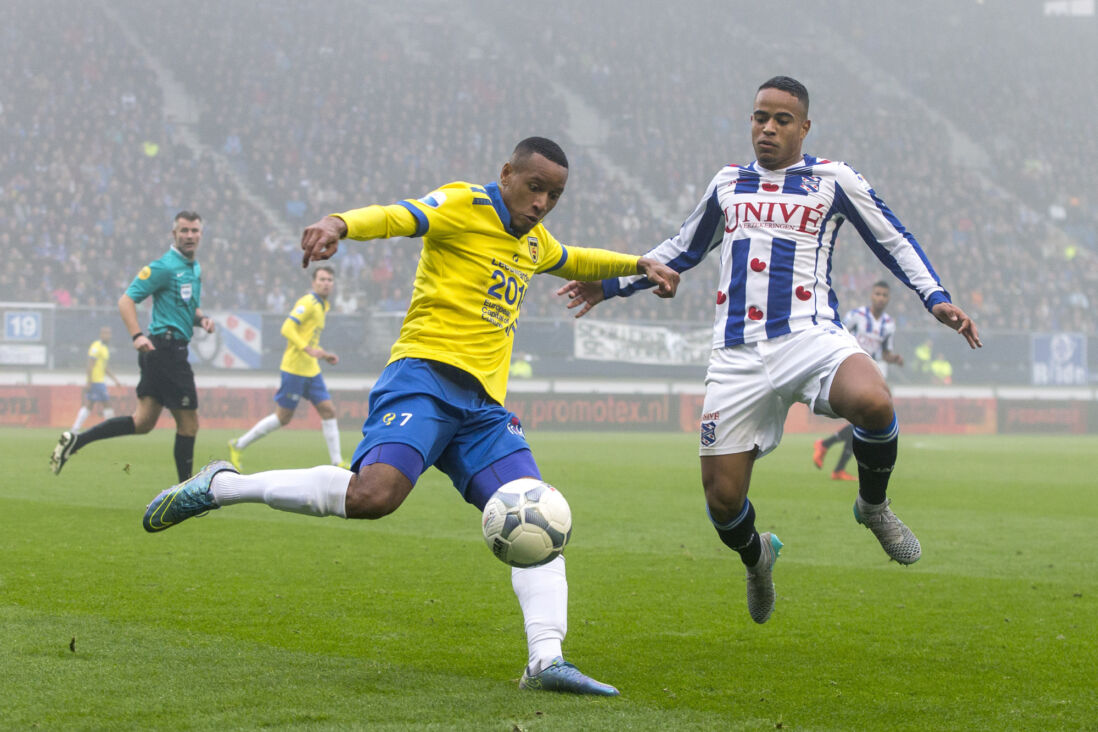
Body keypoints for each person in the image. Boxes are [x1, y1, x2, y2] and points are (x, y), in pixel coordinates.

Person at [141, 138, 679, 695]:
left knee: (538, 516)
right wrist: (339, 223)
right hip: (423, 379)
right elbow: (400, 216)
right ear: (507, 174)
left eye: (555, 195)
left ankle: (546, 660)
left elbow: (576, 257)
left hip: (483, 412)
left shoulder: (535, 243)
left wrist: (638, 264)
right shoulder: (462, 204)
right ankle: (224, 485)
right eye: (535, 187)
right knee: (373, 497)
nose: (542, 203)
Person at [559, 77, 981, 625]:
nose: (768, 128)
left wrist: (936, 299)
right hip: (736, 356)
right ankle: (759, 559)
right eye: (760, 117)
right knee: (723, 502)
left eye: (782, 120)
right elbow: (679, 250)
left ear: (804, 128)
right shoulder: (728, 185)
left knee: (875, 401)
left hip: (811, 336)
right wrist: (614, 282)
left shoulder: (833, 180)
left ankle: (872, 507)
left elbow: (892, 237)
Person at [51, 211, 215, 481]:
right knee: (189, 424)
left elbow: (186, 307)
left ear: (201, 234)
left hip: (163, 351)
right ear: (174, 234)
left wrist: (202, 319)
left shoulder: (192, 267)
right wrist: (137, 335)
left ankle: (76, 442)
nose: (189, 236)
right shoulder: (163, 266)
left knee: (143, 422)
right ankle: (184, 492)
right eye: (184, 230)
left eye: (194, 231)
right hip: (166, 351)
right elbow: (126, 300)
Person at [229, 266, 348, 471]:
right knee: (283, 417)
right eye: (322, 279)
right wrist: (306, 348)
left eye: (329, 280)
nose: (326, 283)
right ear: (314, 282)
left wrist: (323, 354)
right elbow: (287, 327)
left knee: (328, 410)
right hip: (294, 369)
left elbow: (309, 337)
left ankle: (337, 461)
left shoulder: (323, 306)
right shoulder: (307, 303)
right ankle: (238, 444)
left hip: (312, 369)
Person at [813, 281, 904, 481]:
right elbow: (839, 334)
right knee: (863, 423)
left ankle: (833, 460)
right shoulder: (857, 316)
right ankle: (829, 451)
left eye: (884, 295)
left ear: (888, 299)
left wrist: (894, 358)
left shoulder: (888, 323)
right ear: (871, 295)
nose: (880, 298)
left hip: (872, 373)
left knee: (862, 423)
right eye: (877, 293)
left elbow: (885, 352)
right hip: (852, 371)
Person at [71, 326, 122, 432]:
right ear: (101, 334)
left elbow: (104, 367)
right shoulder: (96, 346)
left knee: (90, 405)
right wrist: (89, 381)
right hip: (96, 381)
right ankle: (112, 429)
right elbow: (90, 364)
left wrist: (115, 380)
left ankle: (75, 428)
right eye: (106, 333)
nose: (108, 335)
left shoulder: (105, 348)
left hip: (99, 381)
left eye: (109, 333)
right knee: (106, 403)